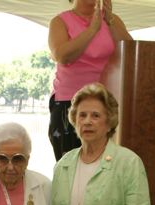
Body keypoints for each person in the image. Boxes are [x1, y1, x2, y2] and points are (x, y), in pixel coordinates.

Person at [48, 0, 132, 161]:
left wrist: (110, 21)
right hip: (69, 103)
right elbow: (62, 56)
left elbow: (130, 52)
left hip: (105, 103)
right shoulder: (60, 21)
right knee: (71, 165)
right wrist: (93, 29)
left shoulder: (113, 20)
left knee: (106, 166)